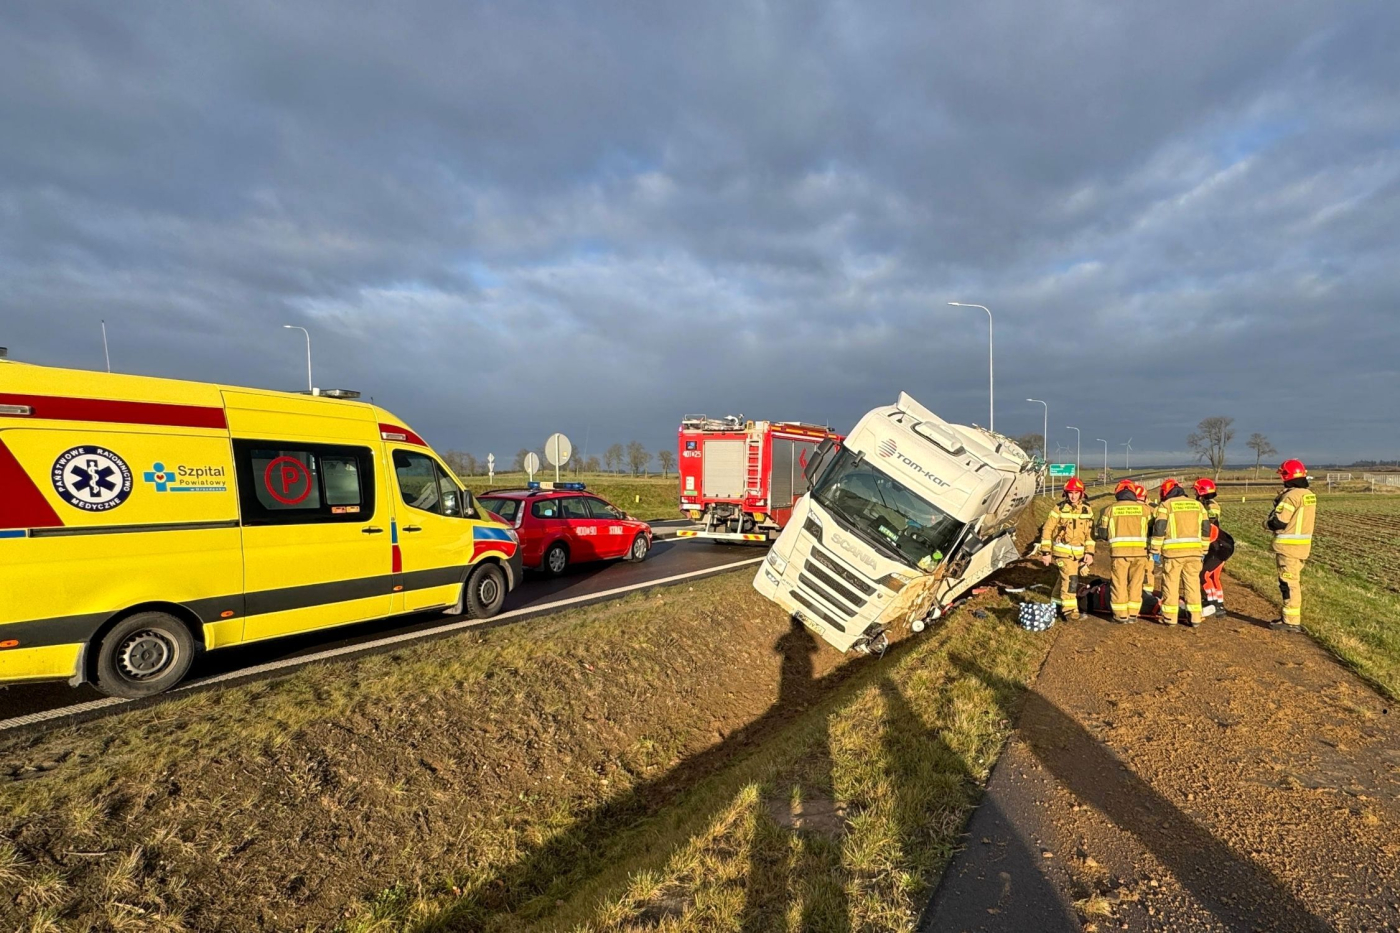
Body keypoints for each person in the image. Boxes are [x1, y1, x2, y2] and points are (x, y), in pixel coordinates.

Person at [1148, 478, 1211, 626]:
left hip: (1173, 553)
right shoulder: (1198, 505)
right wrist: (1204, 548)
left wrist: (1155, 549)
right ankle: (1195, 617)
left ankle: (1170, 617)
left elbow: (1159, 528)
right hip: (1195, 553)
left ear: (1165, 492)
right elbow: (1206, 528)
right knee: (1193, 584)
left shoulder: (1166, 505)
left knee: (1171, 583)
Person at [1266, 459, 1317, 633]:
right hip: (1302, 546)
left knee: (1288, 584)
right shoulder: (1308, 494)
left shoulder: (1291, 496)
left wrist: (1267, 523)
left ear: (1287, 476)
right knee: (1293, 582)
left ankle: (1290, 621)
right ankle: (1290, 619)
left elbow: (1279, 522)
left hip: (1288, 547)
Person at [1095, 479, 1153, 623]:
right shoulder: (1146, 510)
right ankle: (1133, 614)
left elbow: (1102, 533)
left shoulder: (1109, 510)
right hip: (1141, 552)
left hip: (1119, 553)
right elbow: (1153, 529)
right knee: (1136, 582)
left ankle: (1120, 615)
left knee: (1119, 583)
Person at [1038, 477, 1095, 621]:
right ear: (1065, 493)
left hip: (1078, 554)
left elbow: (1090, 534)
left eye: (1076, 492)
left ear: (1082, 493)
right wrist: (1046, 552)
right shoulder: (1058, 509)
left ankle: (1055, 605)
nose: (1073, 496)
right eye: (1070, 492)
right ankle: (1070, 611)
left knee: (1063, 580)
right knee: (1071, 580)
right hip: (1062, 554)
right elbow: (1047, 530)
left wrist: (1089, 553)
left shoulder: (1087, 510)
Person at [1194, 477, 1228, 617]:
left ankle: (1212, 602)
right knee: (1213, 576)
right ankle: (1218, 603)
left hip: (1214, 545)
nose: (1195, 494)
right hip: (1217, 544)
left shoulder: (1211, 506)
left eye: (1196, 491)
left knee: (1205, 575)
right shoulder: (1209, 504)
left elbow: (1210, 524)